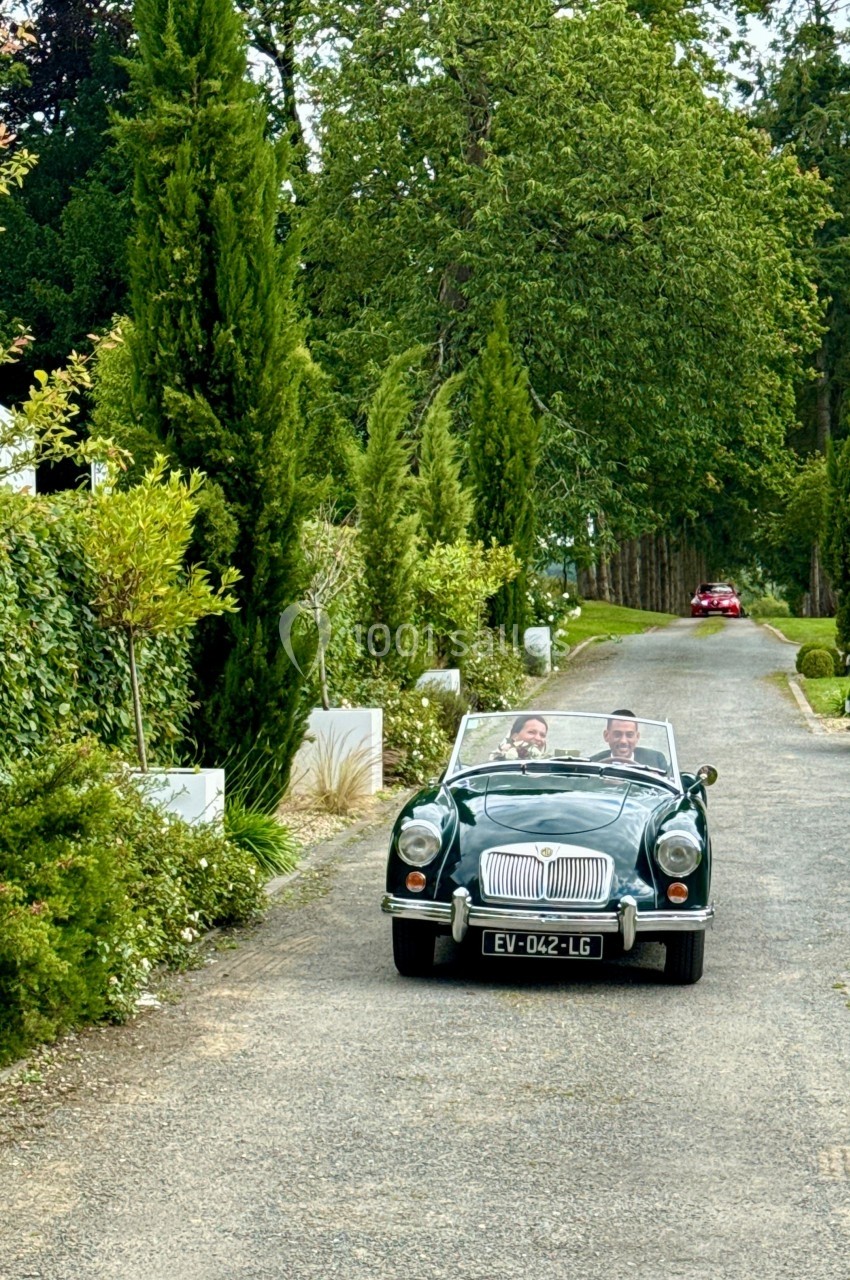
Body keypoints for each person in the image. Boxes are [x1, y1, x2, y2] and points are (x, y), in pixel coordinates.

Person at [590, 708, 667, 771]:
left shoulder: (656, 761)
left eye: (629, 735)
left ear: (637, 737)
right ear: (606, 736)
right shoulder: (592, 764)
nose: (623, 741)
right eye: (617, 734)